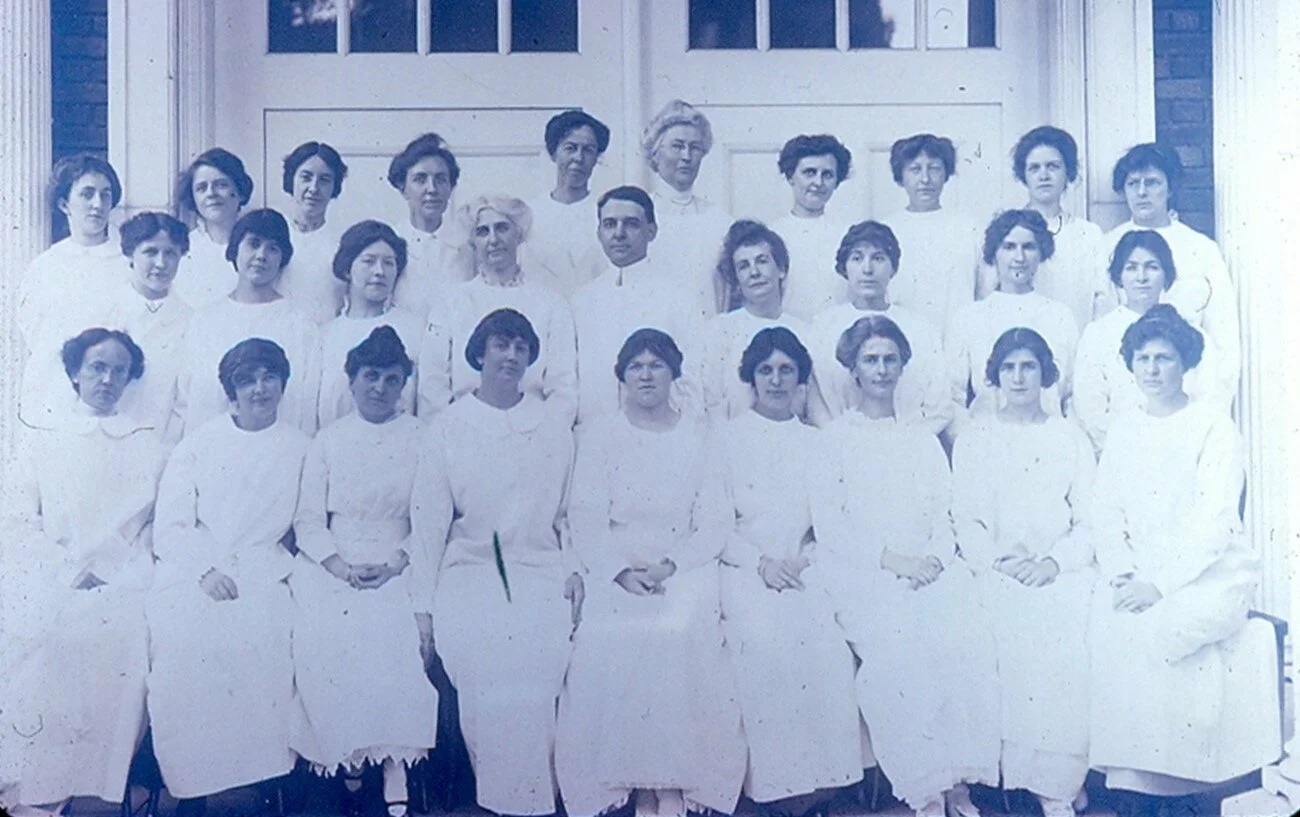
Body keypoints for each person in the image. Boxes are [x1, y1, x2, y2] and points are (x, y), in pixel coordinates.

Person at [1088, 305, 1279, 812]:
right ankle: (1135, 791)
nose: (1152, 369)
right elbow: (1106, 512)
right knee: (1107, 625)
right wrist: (1123, 573)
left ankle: (1188, 788)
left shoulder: (1212, 426)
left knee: (1164, 630)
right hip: (1139, 571)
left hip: (1208, 573)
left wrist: (1161, 584)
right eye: (1143, 358)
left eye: (1164, 358)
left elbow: (1214, 520)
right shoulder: (1124, 429)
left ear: (1184, 363)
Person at [811, 315, 998, 817]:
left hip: (929, 569)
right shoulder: (834, 439)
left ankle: (958, 781)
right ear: (852, 368)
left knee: (960, 638)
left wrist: (934, 559)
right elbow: (831, 525)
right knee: (898, 652)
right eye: (870, 360)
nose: (881, 369)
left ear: (902, 365)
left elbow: (944, 510)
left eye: (889, 359)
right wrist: (894, 562)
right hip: (863, 573)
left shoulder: (919, 437)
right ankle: (925, 790)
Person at [557, 328, 746, 817]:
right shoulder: (599, 435)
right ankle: (638, 786)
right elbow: (586, 515)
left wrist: (671, 565)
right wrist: (619, 571)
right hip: (616, 566)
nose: (646, 374)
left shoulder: (698, 435)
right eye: (636, 366)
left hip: (684, 564)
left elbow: (715, 519)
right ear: (621, 375)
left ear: (673, 374)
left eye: (656, 365)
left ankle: (674, 787)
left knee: (680, 629)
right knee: (611, 635)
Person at [410, 309, 580, 817]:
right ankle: (508, 802)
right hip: (471, 572)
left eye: (521, 347)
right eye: (500, 345)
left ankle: (523, 804)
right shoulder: (448, 427)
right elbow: (429, 523)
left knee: (537, 658)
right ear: (479, 354)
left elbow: (571, 514)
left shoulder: (552, 427)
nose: (510, 356)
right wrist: (423, 608)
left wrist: (573, 568)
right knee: (488, 660)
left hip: (540, 570)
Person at [0, 328, 161, 812]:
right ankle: (33, 791)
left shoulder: (149, 446)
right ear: (74, 372)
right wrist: (67, 570)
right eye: (97, 367)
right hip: (51, 578)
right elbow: (18, 520)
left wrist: (115, 573)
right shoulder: (40, 441)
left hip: (124, 581)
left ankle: (96, 791)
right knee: (43, 642)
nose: (108, 379)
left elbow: (152, 529)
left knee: (122, 643)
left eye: (119, 370)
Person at [147, 339, 311, 812]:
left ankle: (264, 784)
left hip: (265, 566)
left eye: (268, 378)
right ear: (230, 390)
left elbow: (305, 522)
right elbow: (172, 526)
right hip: (195, 566)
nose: (259, 389)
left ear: (282, 383)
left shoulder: (301, 447)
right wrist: (204, 569)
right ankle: (193, 788)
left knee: (267, 639)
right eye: (247, 380)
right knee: (185, 643)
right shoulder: (199, 445)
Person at [710, 327, 863, 815]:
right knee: (763, 639)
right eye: (766, 370)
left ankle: (820, 786)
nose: (776, 380)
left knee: (823, 639)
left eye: (786, 370)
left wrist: (803, 559)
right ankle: (776, 788)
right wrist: (760, 563)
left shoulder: (815, 444)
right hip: (742, 566)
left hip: (801, 566)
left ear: (800, 378)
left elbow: (827, 524)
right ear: (751, 378)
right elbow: (717, 523)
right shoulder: (726, 439)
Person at [290, 327, 438, 817]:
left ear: (403, 385)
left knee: (393, 631)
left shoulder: (422, 438)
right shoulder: (329, 440)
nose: (379, 387)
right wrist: (338, 564)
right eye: (370, 376)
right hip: (335, 560)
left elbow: (433, 516)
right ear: (351, 380)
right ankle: (343, 756)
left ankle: (392, 764)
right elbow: (309, 518)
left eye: (392, 379)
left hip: (399, 557)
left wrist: (399, 560)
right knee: (327, 630)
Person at [951, 328, 1097, 817]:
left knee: (1061, 636)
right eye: (1009, 367)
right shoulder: (976, 438)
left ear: (1045, 374)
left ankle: (1053, 785)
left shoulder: (1068, 437)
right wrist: (996, 561)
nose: (1018, 377)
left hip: (1058, 572)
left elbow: (1088, 518)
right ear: (994, 375)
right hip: (993, 569)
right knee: (990, 629)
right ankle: (1000, 779)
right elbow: (965, 517)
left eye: (1028, 366)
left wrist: (1053, 563)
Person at [1102, 143, 1239, 412]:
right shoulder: (1107, 247)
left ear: (1170, 188)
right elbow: (1101, 331)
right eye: (1133, 183)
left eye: (1152, 182)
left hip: (1190, 392)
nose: (1142, 192)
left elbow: (1224, 336)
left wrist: (1212, 410)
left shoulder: (1200, 248)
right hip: (1124, 394)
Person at [418, 195, 577, 425]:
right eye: (483, 232)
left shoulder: (551, 303)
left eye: (502, 228)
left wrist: (546, 436)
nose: (493, 240)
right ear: (473, 242)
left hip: (532, 431)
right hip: (465, 429)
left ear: (519, 235)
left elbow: (563, 387)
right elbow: (432, 385)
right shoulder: (450, 303)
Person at [179, 208, 321, 436]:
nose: (261, 255)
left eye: (272, 248)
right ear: (235, 250)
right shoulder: (206, 320)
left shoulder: (300, 324)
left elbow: (305, 404)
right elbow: (189, 399)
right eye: (253, 244)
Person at [572, 186, 704, 426]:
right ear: (599, 232)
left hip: (659, 439)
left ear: (651, 231)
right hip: (593, 435)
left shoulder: (678, 298)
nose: (619, 234)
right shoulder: (581, 301)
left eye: (631, 224)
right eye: (610, 224)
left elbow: (692, 378)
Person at [18, 153, 133, 428]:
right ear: (64, 204)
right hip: (57, 392)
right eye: (87, 194)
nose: (97, 205)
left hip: (117, 393)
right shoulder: (45, 266)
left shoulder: (128, 261)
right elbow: (34, 333)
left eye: (105, 195)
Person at [812, 220, 951, 435]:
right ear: (844, 268)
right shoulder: (823, 326)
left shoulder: (920, 327)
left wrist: (902, 440)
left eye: (878, 258)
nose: (867, 269)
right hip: (841, 442)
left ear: (893, 268)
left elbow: (940, 405)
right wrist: (839, 436)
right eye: (857, 258)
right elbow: (814, 399)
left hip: (908, 443)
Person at [945, 209, 1078, 434]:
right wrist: (970, 442)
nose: (1019, 258)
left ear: (1041, 253)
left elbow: (1073, 395)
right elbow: (951, 396)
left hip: (1049, 441)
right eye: (1008, 247)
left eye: (1028, 247)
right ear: (994, 254)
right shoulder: (969, 318)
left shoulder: (1060, 316)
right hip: (988, 442)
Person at [1073, 230, 1192, 453]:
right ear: (1119, 276)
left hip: (1177, 450)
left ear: (1166, 274)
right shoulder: (1098, 333)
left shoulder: (1186, 331)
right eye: (1131, 268)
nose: (1141, 277)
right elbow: (1090, 409)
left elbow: (1199, 396)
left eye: (1152, 267)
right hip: (1119, 453)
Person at [702, 219, 829, 424]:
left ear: (780, 269)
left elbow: (815, 408)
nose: (754, 273)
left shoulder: (805, 331)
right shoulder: (719, 331)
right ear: (736, 280)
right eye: (743, 266)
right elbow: (711, 405)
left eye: (762, 261)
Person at [992, 126, 1112, 328]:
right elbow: (990, 297)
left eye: (1053, 166)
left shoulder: (1089, 234)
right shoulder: (1006, 231)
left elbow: (1103, 303)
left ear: (1068, 172)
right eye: (1034, 168)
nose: (1044, 175)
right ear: (1024, 175)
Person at [317, 220, 423, 428]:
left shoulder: (415, 330)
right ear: (348, 269)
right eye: (369, 261)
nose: (379, 272)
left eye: (388, 263)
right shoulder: (325, 336)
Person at [878, 133, 983, 332]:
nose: (925, 179)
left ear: (946, 174)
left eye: (934, 168)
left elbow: (983, 294)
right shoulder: (885, 230)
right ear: (901, 177)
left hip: (957, 339)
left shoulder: (970, 228)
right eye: (915, 169)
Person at [641, 99, 733, 318]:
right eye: (677, 146)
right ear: (655, 152)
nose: (686, 156)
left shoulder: (720, 221)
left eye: (695, 148)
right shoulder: (637, 216)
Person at [111, 211, 193, 444]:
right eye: (150, 252)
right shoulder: (107, 312)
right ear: (130, 253)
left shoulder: (190, 319)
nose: (161, 263)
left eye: (170, 253)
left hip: (165, 444)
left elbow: (186, 401)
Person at [519, 110, 611, 299]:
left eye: (588, 150)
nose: (578, 158)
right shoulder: (527, 214)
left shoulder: (607, 214)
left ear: (596, 159)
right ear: (553, 154)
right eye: (570, 148)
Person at [387, 133, 473, 320]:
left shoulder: (469, 245)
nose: (432, 189)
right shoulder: (388, 242)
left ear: (451, 187)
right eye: (420, 179)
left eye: (441, 179)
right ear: (403, 187)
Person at [769, 134, 854, 320]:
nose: (818, 183)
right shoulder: (771, 235)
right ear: (791, 176)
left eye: (827, 175)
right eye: (809, 172)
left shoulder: (850, 235)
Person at [275, 141, 349, 324]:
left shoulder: (342, 245)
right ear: (291, 180)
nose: (314, 188)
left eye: (324, 180)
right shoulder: (270, 237)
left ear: (334, 187)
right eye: (306, 177)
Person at [172, 147, 256, 308]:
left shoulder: (259, 246)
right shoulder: (183, 250)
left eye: (221, 185)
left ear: (240, 192)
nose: (211, 193)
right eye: (201, 188)